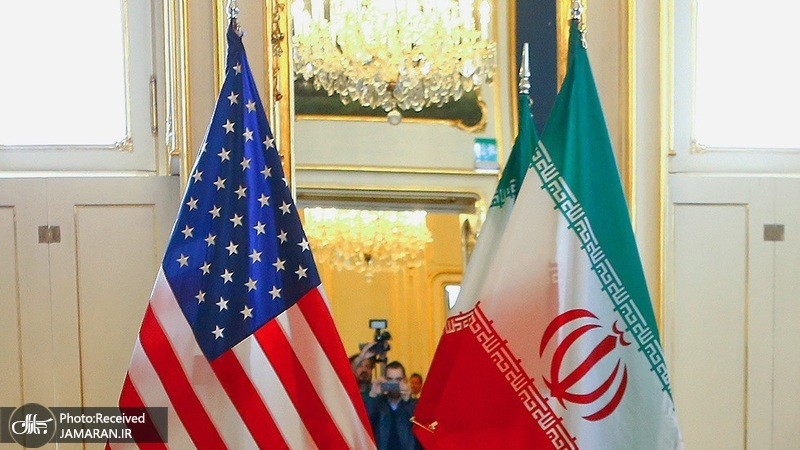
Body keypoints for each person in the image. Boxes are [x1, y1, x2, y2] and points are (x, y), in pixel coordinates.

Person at [364, 361, 422, 450]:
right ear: (384, 380)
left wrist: (408, 402)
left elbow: (422, 430)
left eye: (398, 380)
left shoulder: (414, 404)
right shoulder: (377, 405)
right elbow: (364, 426)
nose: (394, 384)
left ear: (405, 380)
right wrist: (373, 395)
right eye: (390, 380)